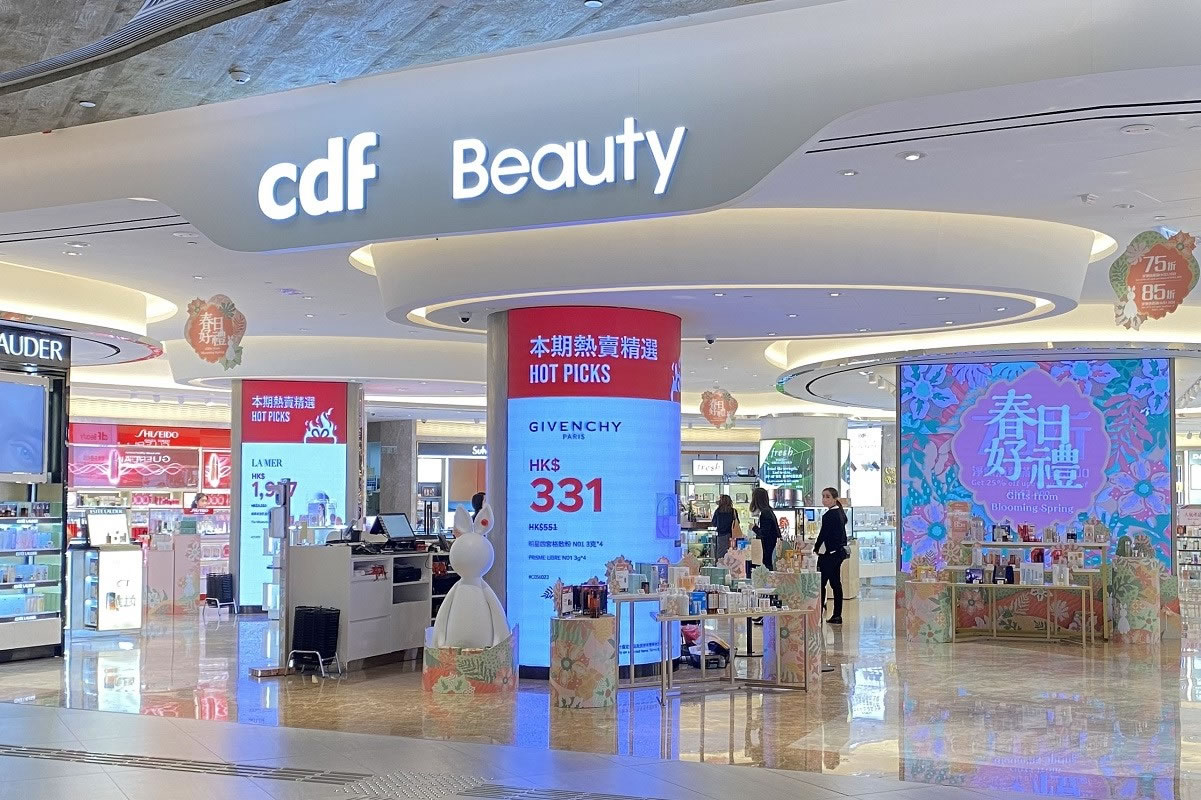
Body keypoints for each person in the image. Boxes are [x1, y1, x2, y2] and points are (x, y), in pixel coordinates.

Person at [814, 486, 849, 624]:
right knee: (835, 584)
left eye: (827, 496)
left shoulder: (830, 515)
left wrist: (816, 547)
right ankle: (837, 614)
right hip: (837, 553)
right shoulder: (839, 512)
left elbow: (823, 534)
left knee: (821, 583)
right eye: (823, 496)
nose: (824, 499)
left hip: (829, 554)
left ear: (835, 499)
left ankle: (818, 613)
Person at [749, 487, 781, 569]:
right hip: (771, 548)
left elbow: (764, 533)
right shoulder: (769, 511)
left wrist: (754, 528)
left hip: (768, 549)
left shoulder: (765, 513)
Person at [711, 495, 739, 559]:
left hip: (721, 535)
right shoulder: (733, 511)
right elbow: (737, 523)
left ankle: (721, 564)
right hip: (732, 536)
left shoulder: (718, 511)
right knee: (731, 554)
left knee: (721, 554)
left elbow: (714, 523)